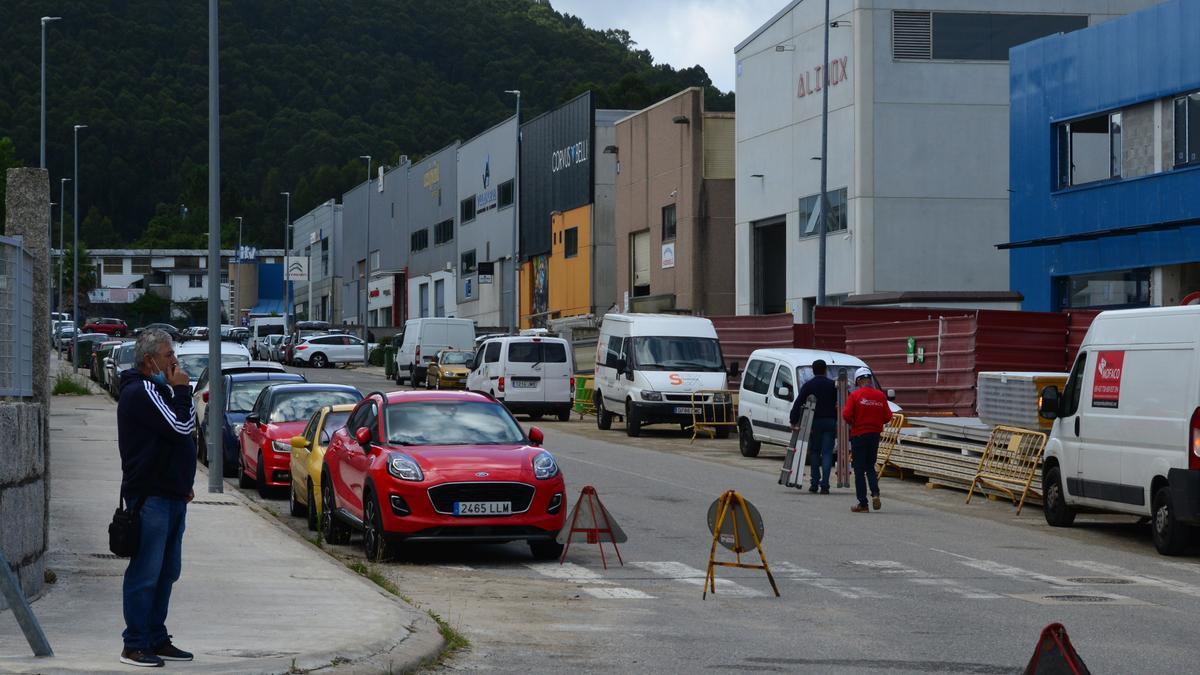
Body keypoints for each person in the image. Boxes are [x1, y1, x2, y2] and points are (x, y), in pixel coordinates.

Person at [116, 329, 196, 667]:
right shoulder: (143, 390)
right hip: (151, 497)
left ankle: (155, 637)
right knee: (146, 572)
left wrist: (184, 480)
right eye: (167, 355)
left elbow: (185, 428)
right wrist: (182, 390)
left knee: (167, 571)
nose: (174, 361)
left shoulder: (161, 389)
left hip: (173, 494)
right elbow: (180, 428)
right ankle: (134, 643)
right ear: (150, 360)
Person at [842, 367, 893, 513]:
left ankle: (863, 504)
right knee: (870, 466)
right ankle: (875, 493)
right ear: (870, 379)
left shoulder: (855, 395)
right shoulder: (880, 395)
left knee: (859, 469)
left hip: (859, 434)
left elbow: (846, 414)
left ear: (858, 381)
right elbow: (888, 416)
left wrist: (854, 422)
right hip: (874, 435)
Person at [790, 359, 837, 494]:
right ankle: (825, 485)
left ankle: (814, 483)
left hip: (814, 422)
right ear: (825, 369)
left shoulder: (809, 385)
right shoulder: (832, 385)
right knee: (827, 453)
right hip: (830, 421)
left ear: (813, 370)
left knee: (815, 452)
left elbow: (798, 403)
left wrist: (793, 420)